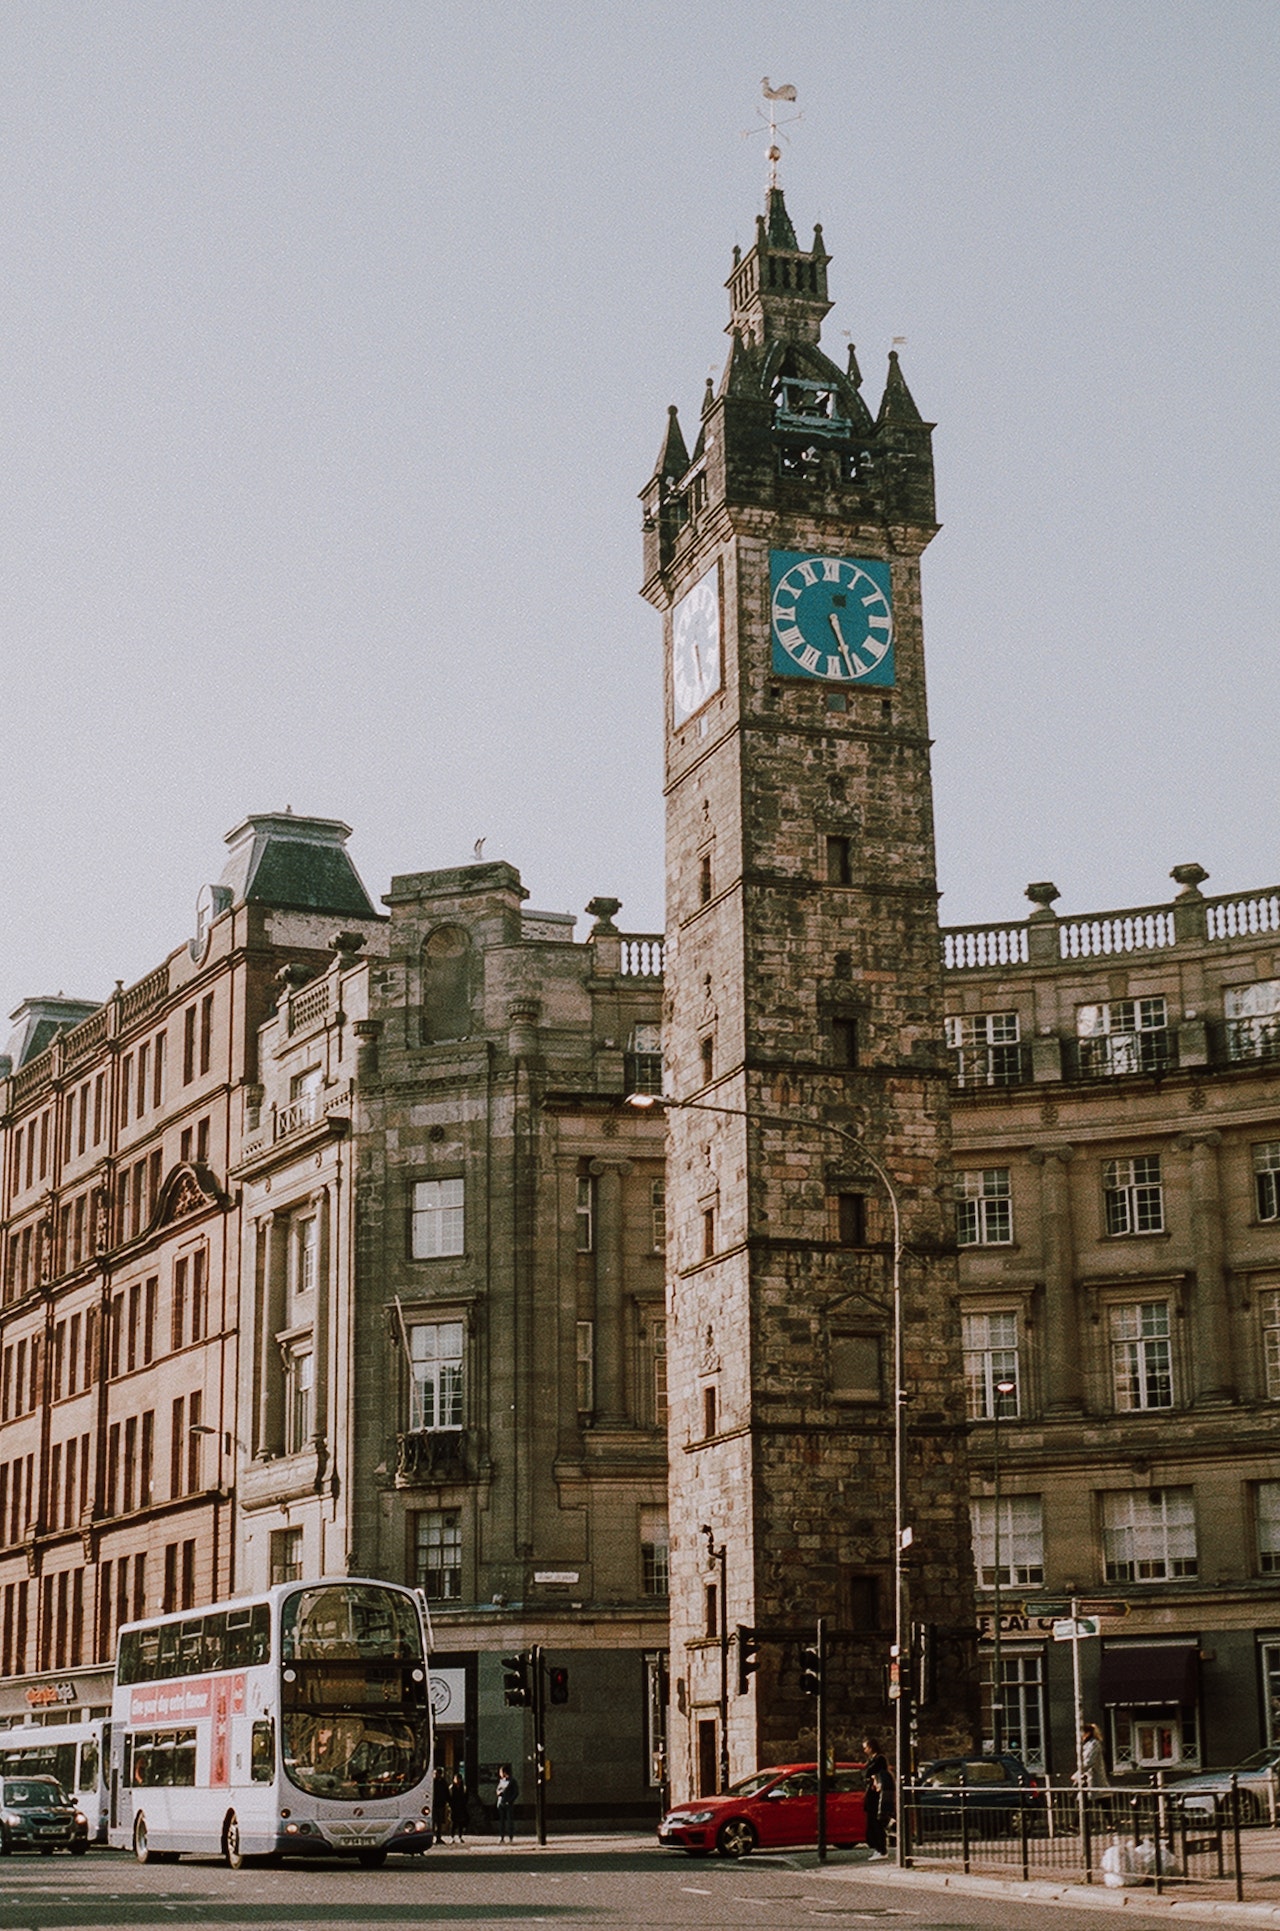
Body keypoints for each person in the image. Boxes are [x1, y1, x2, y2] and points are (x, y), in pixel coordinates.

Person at [862, 1736, 895, 1860]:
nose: (865, 1751)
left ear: (871, 1747)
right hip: (873, 1794)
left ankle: (881, 1849)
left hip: (878, 1795)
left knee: (877, 1821)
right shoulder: (873, 1759)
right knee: (872, 1822)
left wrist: (870, 1776)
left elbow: (868, 1771)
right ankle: (878, 1848)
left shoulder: (879, 1759)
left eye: (865, 1748)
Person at [1073, 1723, 1105, 1787]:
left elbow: (1089, 1761)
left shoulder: (1094, 1744)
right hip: (1087, 1779)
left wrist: (1077, 1773)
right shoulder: (1087, 1744)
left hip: (1094, 1779)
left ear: (1087, 1734)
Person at [495, 1762, 519, 1842]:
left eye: (501, 1772)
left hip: (508, 1803)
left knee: (509, 1821)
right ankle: (501, 1837)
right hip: (501, 1802)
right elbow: (498, 1789)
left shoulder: (512, 1781)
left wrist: (510, 1800)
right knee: (501, 1821)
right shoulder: (501, 1781)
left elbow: (516, 1792)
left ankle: (510, 1837)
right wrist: (498, 1793)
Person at [448, 1768, 470, 1844]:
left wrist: (464, 1804)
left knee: (461, 1823)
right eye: (455, 1779)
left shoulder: (464, 1788)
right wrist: (450, 1806)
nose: (457, 1780)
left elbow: (466, 1797)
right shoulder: (451, 1788)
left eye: (458, 1779)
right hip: (454, 1807)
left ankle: (460, 1836)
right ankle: (452, 1837)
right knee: (453, 1823)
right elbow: (449, 1798)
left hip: (461, 1807)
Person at [431, 1764, 449, 1845]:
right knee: (433, 1822)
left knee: (439, 1822)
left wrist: (446, 1801)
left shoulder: (442, 1782)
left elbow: (446, 1793)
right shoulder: (434, 1782)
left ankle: (438, 1837)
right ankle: (432, 1837)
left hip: (440, 1804)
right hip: (434, 1804)